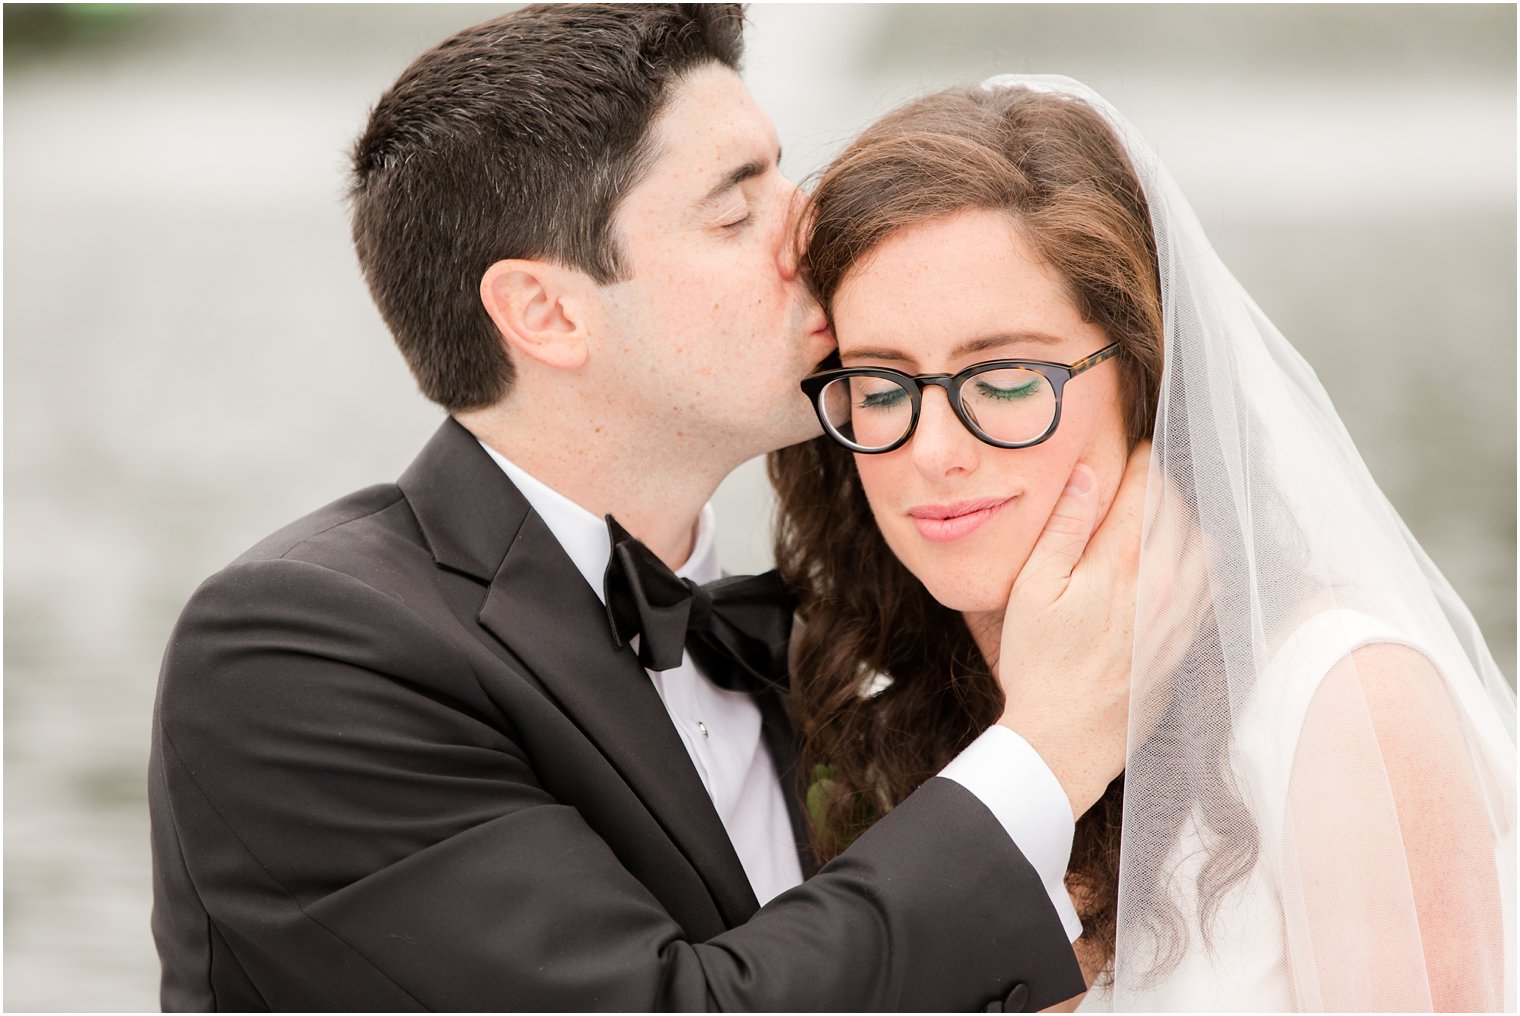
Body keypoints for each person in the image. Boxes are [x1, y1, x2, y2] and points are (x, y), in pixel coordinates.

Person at [147, 10, 1143, 1011]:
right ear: (547, 312)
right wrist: (1045, 749)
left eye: (782, 178)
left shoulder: (812, 646)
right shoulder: (297, 650)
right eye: (733, 212)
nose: (811, 231)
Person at [771, 75, 1515, 1011]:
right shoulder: (883, 714)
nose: (931, 452)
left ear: (1144, 374)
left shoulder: (1337, 706)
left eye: (1001, 377)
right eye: (882, 386)